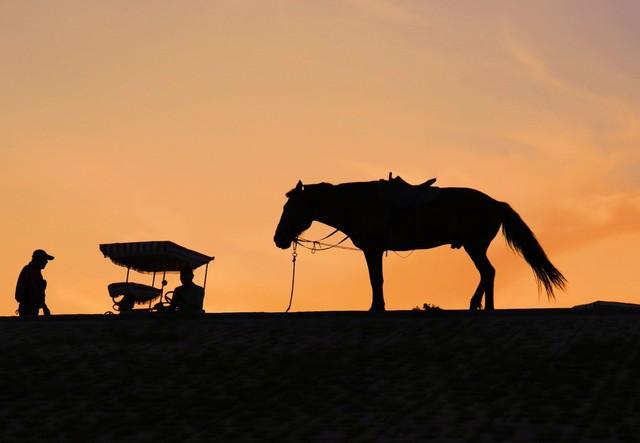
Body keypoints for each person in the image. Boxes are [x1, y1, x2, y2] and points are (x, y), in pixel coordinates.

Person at [15, 249, 54, 317]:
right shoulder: (31, 271)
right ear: (39, 260)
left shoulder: (34, 271)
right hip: (28, 310)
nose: (46, 262)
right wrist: (44, 307)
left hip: (31, 309)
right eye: (45, 260)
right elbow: (35, 291)